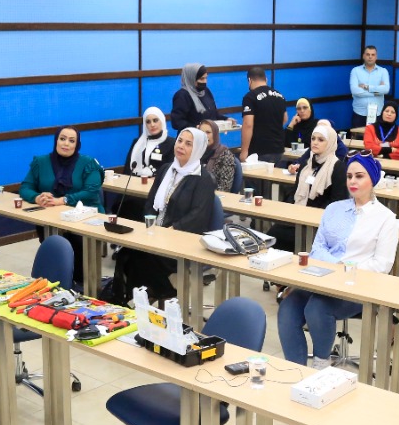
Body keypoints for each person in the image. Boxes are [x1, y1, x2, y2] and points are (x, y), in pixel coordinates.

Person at [279, 154, 399, 367]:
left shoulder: (385, 218)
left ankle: (320, 364)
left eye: (359, 176)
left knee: (317, 308)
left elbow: (382, 264)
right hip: (322, 278)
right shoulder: (334, 209)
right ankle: (296, 370)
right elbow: (317, 248)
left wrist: (348, 269)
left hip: (357, 286)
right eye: (349, 176)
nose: (352, 181)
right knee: (288, 308)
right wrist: (336, 267)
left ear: (372, 180)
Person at [108, 128, 217, 303]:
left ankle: (151, 295)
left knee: (139, 256)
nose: (181, 146)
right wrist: (151, 225)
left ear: (198, 149)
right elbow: (150, 202)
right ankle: (129, 298)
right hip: (155, 233)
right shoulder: (166, 169)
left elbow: (198, 216)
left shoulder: (203, 178)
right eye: (180, 140)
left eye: (188, 144)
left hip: (180, 240)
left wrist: (168, 231)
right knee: (126, 251)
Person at [21, 126, 103, 286]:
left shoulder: (88, 163)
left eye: (71, 141)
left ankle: (82, 284)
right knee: (54, 249)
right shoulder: (40, 162)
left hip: (85, 218)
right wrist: (37, 197)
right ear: (56, 141)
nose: (66, 143)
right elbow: (25, 187)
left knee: (76, 248)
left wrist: (64, 200)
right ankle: (55, 282)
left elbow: (91, 191)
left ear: (77, 144)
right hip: (51, 217)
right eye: (62, 139)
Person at [273, 122, 347, 254]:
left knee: (289, 239)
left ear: (330, 143)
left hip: (321, 221)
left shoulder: (338, 167)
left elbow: (338, 203)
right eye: (313, 139)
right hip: (298, 214)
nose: (315, 142)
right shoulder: (306, 165)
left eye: (321, 140)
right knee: (273, 235)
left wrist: (311, 214)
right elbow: (295, 192)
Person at [240, 66, 287, 164]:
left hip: (259, 150)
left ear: (249, 80)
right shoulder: (279, 95)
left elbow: (248, 124)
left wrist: (244, 151)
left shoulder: (250, 97)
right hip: (278, 149)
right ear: (266, 79)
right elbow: (285, 118)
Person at [169, 62, 223, 131]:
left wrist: (226, 119)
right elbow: (177, 122)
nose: (205, 81)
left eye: (206, 78)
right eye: (201, 79)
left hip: (208, 135)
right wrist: (196, 127)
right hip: (191, 136)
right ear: (191, 78)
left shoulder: (206, 91)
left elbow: (214, 114)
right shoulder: (182, 95)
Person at [349, 45, 390, 130]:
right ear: (363, 56)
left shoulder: (383, 71)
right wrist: (376, 92)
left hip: (377, 113)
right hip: (359, 113)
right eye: (368, 54)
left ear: (376, 57)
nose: (370, 57)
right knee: (358, 137)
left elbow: (386, 89)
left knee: (376, 137)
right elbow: (355, 91)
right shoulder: (355, 71)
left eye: (373, 55)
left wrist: (367, 87)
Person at [198, 119, 239, 192]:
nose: (204, 135)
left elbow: (225, 187)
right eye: (201, 132)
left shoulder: (225, 155)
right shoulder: (195, 153)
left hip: (215, 195)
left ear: (215, 135)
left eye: (208, 132)